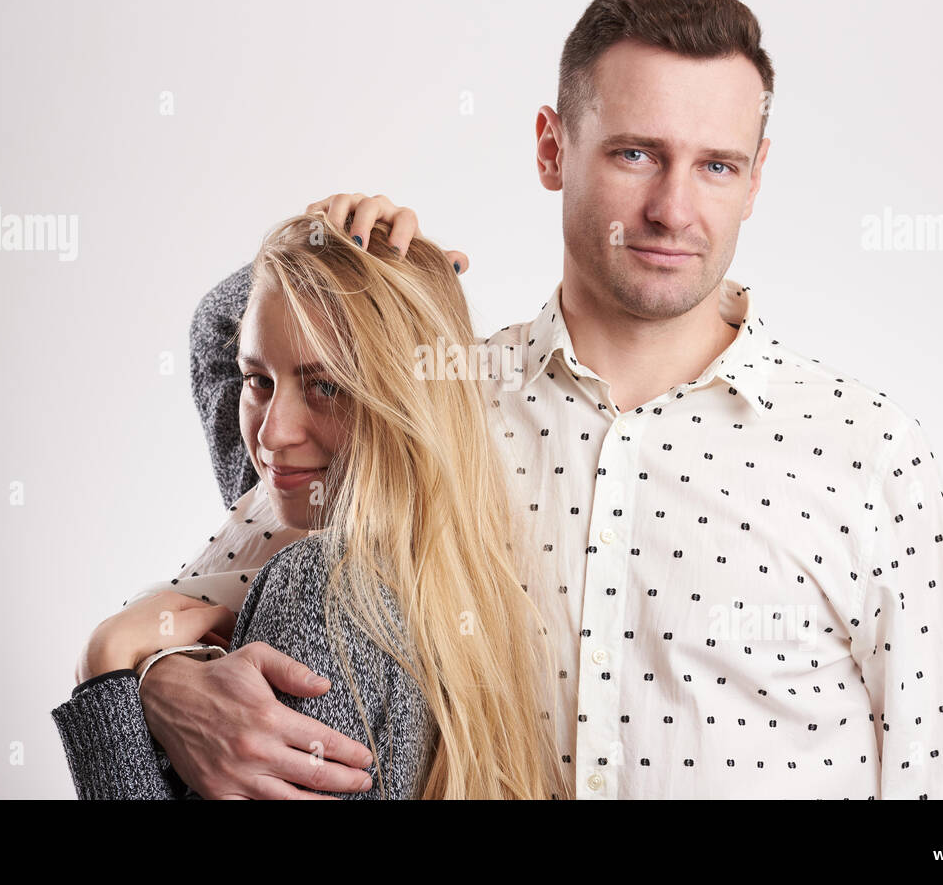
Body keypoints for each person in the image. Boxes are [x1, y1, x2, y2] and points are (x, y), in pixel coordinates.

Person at [136, 0, 943, 799]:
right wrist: (158, 678)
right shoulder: (439, 407)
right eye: (636, 154)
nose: (674, 208)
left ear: (756, 177)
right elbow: (192, 605)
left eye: (717, 165)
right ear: (553, 148)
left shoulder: (863, 450)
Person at [51, 211, 571, 800]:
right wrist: (329, 235)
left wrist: (107, 666)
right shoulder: (285, 509)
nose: (272, 436)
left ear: (405, 401)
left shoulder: (321, 588)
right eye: (259, 381)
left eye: (326, 385)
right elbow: (214, 330)